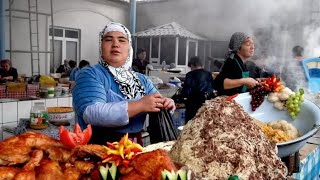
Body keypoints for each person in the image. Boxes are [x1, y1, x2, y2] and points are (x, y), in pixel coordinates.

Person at [72, 22, 175, 145]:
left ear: (129, 48)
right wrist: (140, 105)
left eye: (122, 40)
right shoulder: (90, 74)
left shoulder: (142, 80)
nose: (115, 44)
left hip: (134, 148)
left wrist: (167, 103)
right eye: (109, 40)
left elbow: (157, 102)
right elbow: (91, 113)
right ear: (101, 47)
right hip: (98, 149)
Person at [181, 56, 215, 122]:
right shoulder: (208, 74)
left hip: (192, 109)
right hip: (206, 107)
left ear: (192, 65)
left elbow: (186, 92)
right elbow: (211, 89)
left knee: (190, 128)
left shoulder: (189, 75)